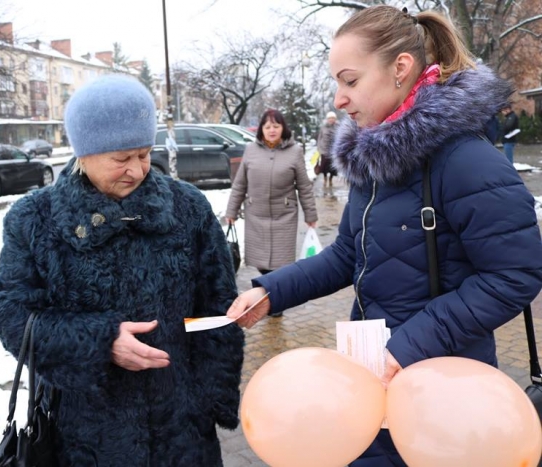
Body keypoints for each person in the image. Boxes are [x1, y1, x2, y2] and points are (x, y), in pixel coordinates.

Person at [226, 6, 542, 466]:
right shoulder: (374, 163)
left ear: (400, 69)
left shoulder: (467, 161)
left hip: (447, 399)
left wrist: (408, 346)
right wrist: (271, 292)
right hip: (375, 383)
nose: (339, 98)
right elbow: (347, 256)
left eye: (350, 81)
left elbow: (515, 273)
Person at [0, 75, 244, 466]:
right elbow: (12, 314)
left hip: (181, 431)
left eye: (143, 154)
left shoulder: (188, 209)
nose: (138, 170)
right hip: (81, 434)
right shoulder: (34, 219)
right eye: (121, 159)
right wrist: (99, 341)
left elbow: (215, 311)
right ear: (82, 154)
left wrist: (208, 403)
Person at [225, 109, 318, 277]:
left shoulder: (294, 151)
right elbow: (240, 184)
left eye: (276, 126)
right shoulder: (251, 150)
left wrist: (310, 215)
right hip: (256, 216)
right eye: (267, 127)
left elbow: (304, 186)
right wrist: (231, 211)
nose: (272, 130)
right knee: (261, 264)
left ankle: (276, 295)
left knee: (281, 265)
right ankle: (268, 293)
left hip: (284, 217)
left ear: (283, 128)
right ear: (261, 129)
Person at [316, 111, 339, 185]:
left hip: (333, 151)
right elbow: (319, 138)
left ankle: (331, 179)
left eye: (333, 118)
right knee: (324, 167)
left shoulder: (338, 127)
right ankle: (325, 179)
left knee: (332, 168)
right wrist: (319, 148)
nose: (331, 119)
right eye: (330, 118)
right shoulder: (323, 128)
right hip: (324, 150)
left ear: (335, 119)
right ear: (327, 119)